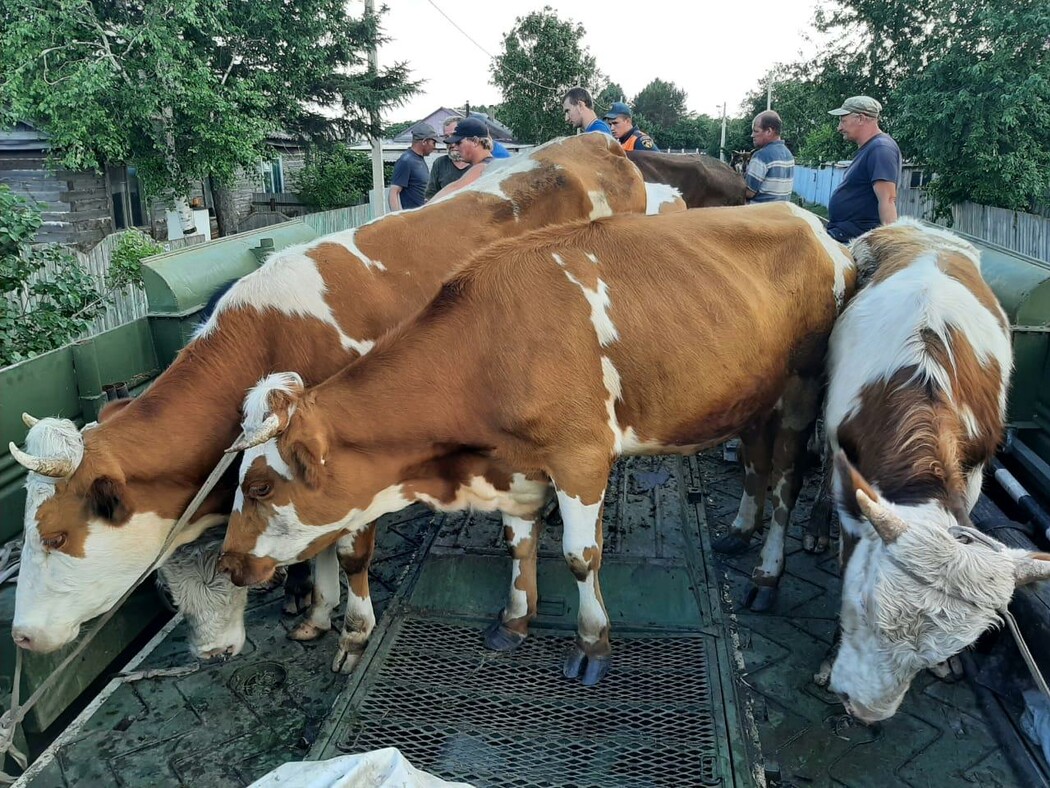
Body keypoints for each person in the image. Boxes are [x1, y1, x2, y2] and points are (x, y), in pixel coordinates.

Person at [825, 96, 901, 243]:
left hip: (856, 241)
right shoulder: (870, 148)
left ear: (860, 118)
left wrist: (891, 245)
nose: (839, 128)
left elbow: (888, 199)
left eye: (843, 120)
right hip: (844, 235)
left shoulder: (881, 148)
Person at [431, 117, 496, 199]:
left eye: (459, 142)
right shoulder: (496, 165)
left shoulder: (483, 167)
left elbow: (455, 188)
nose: (455, 146)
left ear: (475, 141)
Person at [744, 110, 794, 203]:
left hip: (759, 214)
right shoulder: (788, 155)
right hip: (779, 212)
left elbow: (748, 192)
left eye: (756, 131)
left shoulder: (761, 157)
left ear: (769, 131)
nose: (752, 135)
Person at [389, 124, 438, 211]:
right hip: (412, 220)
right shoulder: (406, 161)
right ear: (424, 142)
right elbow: (394, 192)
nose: (434, 147)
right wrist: (398, 220)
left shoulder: (419, 159)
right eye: (433, 143)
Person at [425, 117, 471, 200]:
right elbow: (431, 196)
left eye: (454, 135)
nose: (451, 143)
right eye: (446, 137)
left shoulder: (479, 163)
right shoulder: (440, 163)